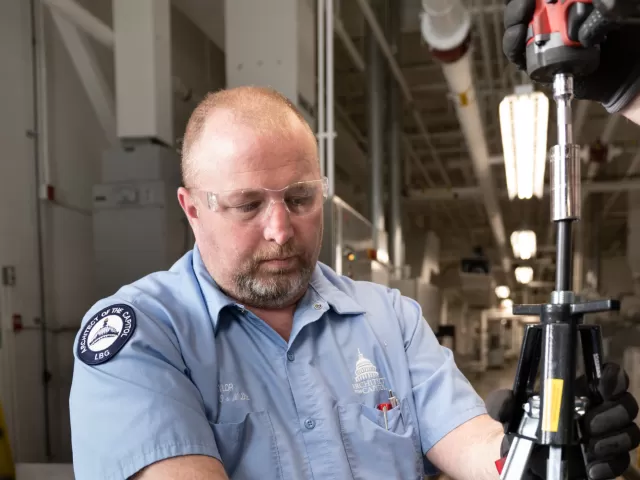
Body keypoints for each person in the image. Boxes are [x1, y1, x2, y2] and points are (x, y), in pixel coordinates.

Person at [69, 8, 640, 478]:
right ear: (192, 210)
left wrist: (535, 457)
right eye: (247, 205)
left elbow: (471, 442)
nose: (280, 229)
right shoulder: (140, 337)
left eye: (300, 198)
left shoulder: (389, 319)